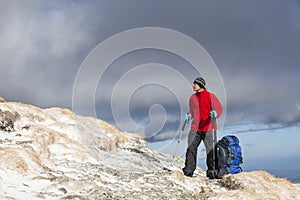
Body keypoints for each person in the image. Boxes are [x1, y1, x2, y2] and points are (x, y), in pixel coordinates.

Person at [182, 77, 223, 178]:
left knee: (211, 151)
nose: (193, 85)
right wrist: (189, 115)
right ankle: (188, 171)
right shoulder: (192, 98)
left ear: (200, 85)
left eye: (194, 84)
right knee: (191, 148)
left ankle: (212, 172)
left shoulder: (210, 96)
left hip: (209, 128)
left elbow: (219, 108)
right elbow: (192, 111)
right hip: (195, 128)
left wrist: (215, 113)